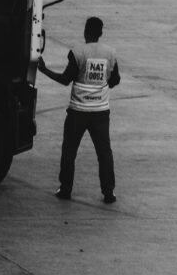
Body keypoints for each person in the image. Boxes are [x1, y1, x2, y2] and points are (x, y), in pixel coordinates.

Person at [38, 16, 120, 203]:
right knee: (104, 152)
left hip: (78, 112)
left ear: (85, 31)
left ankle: (66, 189)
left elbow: (66, 79)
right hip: (100, 112)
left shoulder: (77, 52)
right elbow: (115, 80)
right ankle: (108, 192)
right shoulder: (110, 53)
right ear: (100, 33)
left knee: (69, 151)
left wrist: (44, 70)